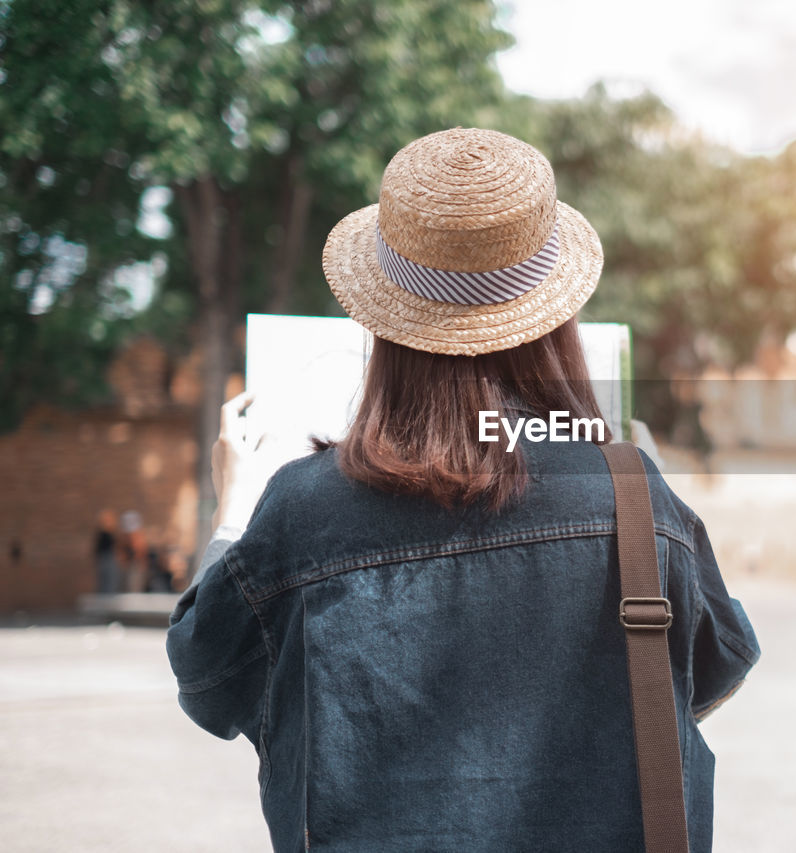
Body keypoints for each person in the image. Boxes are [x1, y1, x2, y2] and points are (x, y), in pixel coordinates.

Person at [166, 128, 759, 853]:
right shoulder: (636, 494)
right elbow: (712, 670)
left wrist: (232, 508)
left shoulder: (300, 509)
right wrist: (643, 493)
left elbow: (207, 680)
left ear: (385, 327)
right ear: (554, 321)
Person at [93, 510, 119, 594]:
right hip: (105, 560)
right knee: (105, 579)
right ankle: (105, 595)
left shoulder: (110, 534)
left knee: (110, 580)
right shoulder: (102, 535)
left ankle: (108, 595)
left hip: (109, 560)